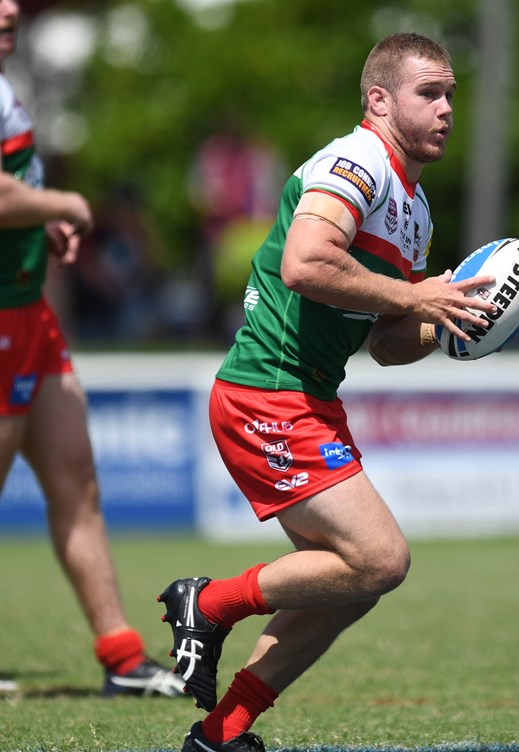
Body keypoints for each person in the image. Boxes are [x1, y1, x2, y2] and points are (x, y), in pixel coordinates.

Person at [158, 31, 496, 752]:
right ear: (380, 100)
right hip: (267, 392)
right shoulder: (358, 161)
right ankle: (208, 603)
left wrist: (448, 323)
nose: (446, 109)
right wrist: (416, 296)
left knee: (354, 584)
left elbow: (386, 344)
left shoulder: (416, 209)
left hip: (308, 399)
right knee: (381, 559)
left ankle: (220, 734)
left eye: (451, 95)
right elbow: (306, 263)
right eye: (429, 93)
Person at [0, 0, 185, 699]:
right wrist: (64, 206)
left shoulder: (6, 81)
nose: (10, 8)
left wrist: (36, 224)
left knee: (76, 480)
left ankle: (122, 658)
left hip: (28, 314)